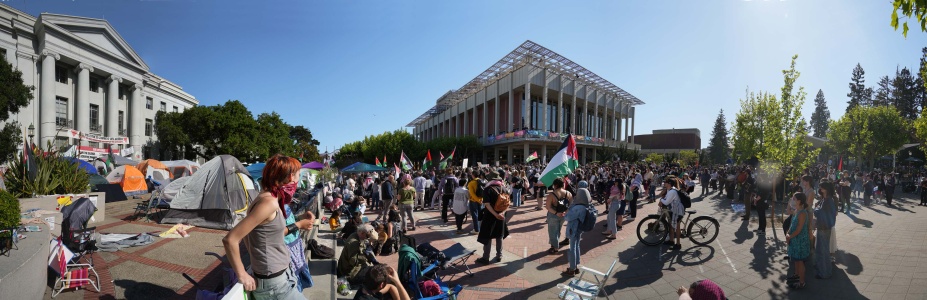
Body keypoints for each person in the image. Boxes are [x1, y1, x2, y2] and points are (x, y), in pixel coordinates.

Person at [222, 154, 310, 299]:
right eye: (298, 176)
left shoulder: (266, 198)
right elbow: (230, 239)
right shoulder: (269, 203)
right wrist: (242, 274)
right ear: (290, 177)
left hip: (280, 279)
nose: (298, 181)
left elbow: (263, 233)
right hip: (274, 286)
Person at [476, 171, 509, 264]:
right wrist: (501, 213)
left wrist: (495, 214)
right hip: (501, 216)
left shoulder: (488, 189)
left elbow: (487, 204)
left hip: (489, 216)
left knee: (487, 236)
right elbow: (507, 204)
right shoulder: (504, 188)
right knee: (499, 236)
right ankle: (499, 255)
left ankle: (485, 258)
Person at [564, 181, 591, 276]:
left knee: (572, 248)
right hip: (579, 228)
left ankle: (572, 269)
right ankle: (576, 266)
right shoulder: (586, 205)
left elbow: (567, 217)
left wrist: (566, 212)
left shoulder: (578, 208)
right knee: (577, 246)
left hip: (574, 228)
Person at [786, 192, 811, 289]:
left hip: (800, 241)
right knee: (796, 261)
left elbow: (799, 229)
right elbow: (792, 223)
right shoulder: (797, 210)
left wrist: (789, 236)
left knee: (800, 262)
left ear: (799, 201)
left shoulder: (803, 213)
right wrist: (788, 234)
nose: (792, 200)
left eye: (794, 199)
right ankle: (796, 278)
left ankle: (801, 282)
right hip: (795, 240)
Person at [814, 179, 837, 279]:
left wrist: (816, 209)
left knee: (822, 250)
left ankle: (824, 272)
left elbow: (820, 212)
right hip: (824, 227)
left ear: (826, 189)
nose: (820, 188)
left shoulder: (828, 200)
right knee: (822, 250)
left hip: (824, 227)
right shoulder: (827, 199)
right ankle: (824, 270)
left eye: (821, 187)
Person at [545, 178, 572, 254]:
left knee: (552, 231)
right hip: (563, 215)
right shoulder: (568, 193)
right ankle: (555, 244)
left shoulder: (552, 194)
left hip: (553, 215)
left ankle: (555, 247)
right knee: (558, 230)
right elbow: (571, 205)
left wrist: (556, 213)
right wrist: (565, 212)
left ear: (555, 185)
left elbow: (548, 207)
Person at [660, 177, 684, 250]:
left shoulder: (672, 191)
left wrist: (661, 200)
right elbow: (667, 199)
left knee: (677, 227)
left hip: (677, 211)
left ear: (669, 184)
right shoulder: (670, 189)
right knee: (671, 226)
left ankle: (678, 244)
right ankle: (671, 240)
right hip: (673, 210)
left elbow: (666, 202)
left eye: (665, 182)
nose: (664, 183)